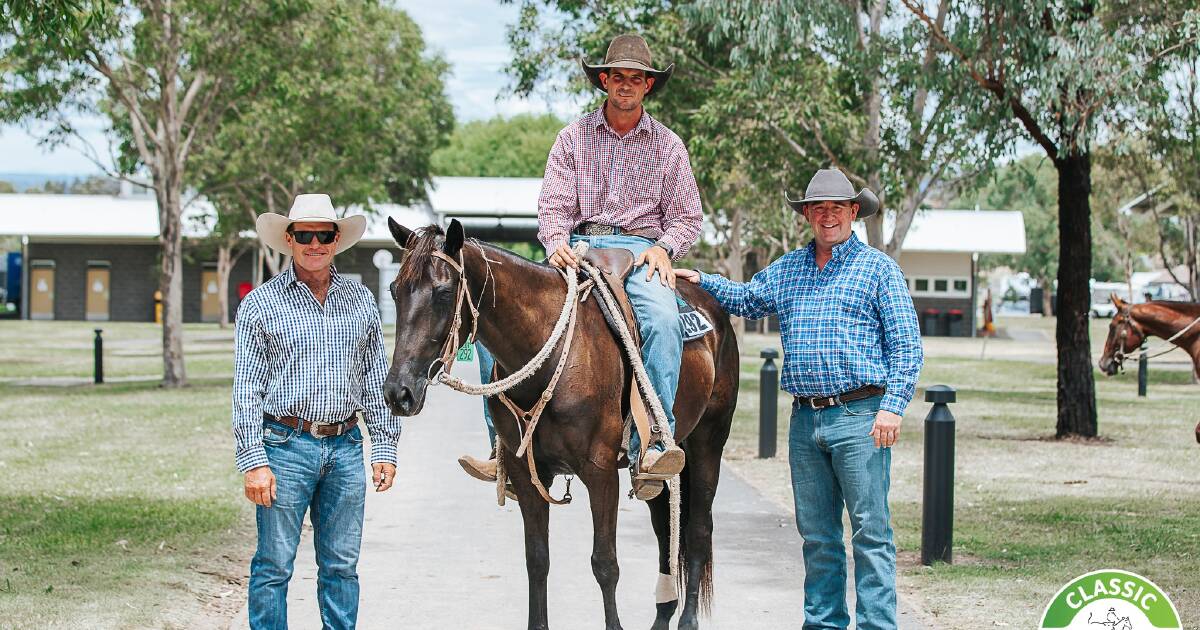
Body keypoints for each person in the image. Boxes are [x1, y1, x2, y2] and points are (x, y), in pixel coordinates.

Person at [457, 33, 703, 500]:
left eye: (637, 78)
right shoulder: (572, 138)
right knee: (496, 319)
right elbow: (552, 206)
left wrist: (665, 247)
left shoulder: (670, 146)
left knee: (665, 320)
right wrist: (555, 242)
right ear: (604, 81)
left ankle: (654, 440)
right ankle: (503, 445)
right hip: (577, 244)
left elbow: (688, 216)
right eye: (618, 77)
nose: (626, 85)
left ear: (648, 86)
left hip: (638, 250)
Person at [676, 168, 923, 629]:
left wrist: (893, 406)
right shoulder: (790, 269)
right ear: (807, 214)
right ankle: (824, 623)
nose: (828, 216)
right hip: (806, 422)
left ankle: (877, 625)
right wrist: (702, 280)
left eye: (837, 207)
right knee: (817, 536)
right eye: (819, 208)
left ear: (854, 212)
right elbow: (748, 299)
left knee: (871, 533)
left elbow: (907, 346)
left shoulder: (879, 270)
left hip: (862, 415)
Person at [234, 194, 401, 629]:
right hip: (285, 447)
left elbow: (373, 377)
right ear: (289, 239)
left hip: (346, 448)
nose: (314, 243)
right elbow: (246, 390)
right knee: (274, 565)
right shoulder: (260, 305)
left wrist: (384, 446)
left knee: (342, 567)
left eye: (323, 235)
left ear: (335, 240)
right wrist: (254, 462)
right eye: (304, 234)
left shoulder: (359, 300)